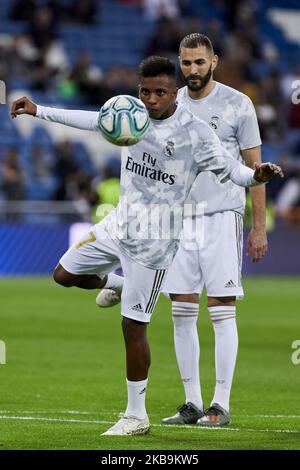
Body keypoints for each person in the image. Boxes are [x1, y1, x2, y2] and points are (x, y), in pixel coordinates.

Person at [11, 56, 282, 436]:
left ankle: (136, 415)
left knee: (132, 326)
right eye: (144, 91)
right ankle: (116, 284)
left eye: (159, 92)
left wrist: (255, 174)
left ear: (176, 93)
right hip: (119, 224)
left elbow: (228, 167)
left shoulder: (195, 132)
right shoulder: (129, 113)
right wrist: (39, 110)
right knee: (63, 274)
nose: (150, 99)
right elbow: (92, 120)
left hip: (155, 243)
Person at [161, 33, 268, 426]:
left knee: (221, 309)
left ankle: (219, 405)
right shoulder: (169, 104)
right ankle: (191, 402)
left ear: (214, 62)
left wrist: (259, 227)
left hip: (222, 216)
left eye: (199, 63)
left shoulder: (238, 105)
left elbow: (256, 169)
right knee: (181, 311)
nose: (192, 70)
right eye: (186, 63)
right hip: (179, 222)